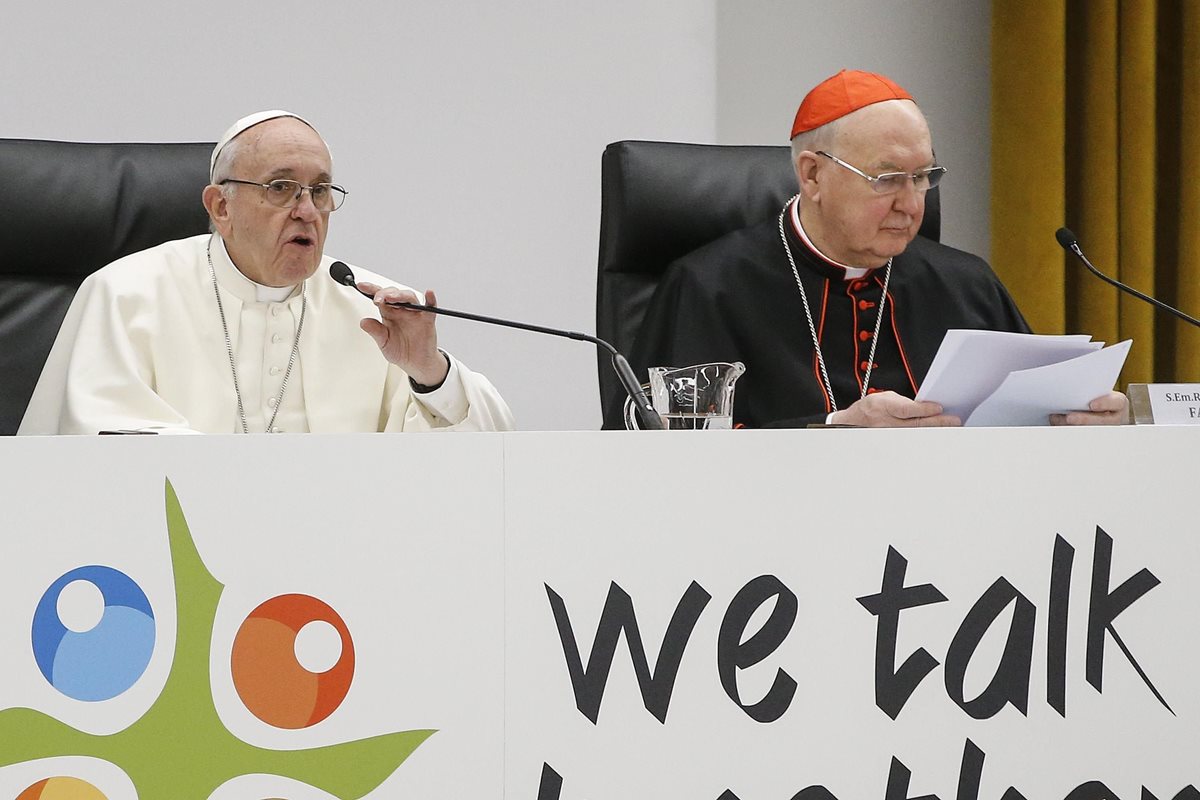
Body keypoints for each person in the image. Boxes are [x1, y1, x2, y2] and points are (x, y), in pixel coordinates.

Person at [626, 70, 1127, 428]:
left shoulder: (966, 283)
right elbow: (660, 451)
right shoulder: (710, 286)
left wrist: (1089, 424)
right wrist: (832, 429)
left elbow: (1034, 421)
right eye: (887, 180)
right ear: (812, 174)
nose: (911, 205)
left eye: (923, 177)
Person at [19, 110, 515, 435]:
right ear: (221, 207)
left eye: (320, 191)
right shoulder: (125, 293)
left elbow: (489, 451)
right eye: (281, 188)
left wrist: (428, 371)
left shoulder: (370, 309)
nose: (307, 211)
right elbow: (98, 445)